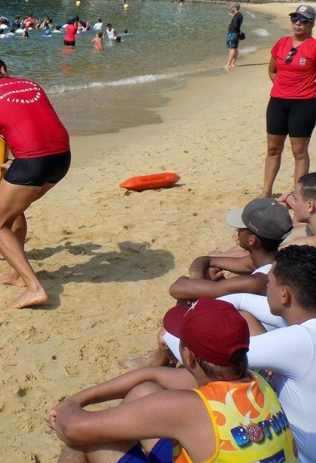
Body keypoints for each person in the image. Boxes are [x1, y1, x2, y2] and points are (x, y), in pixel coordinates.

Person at [50, 297, 298, 463]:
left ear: (188, 355)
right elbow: (151, 375)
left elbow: (73, 429)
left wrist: (67, 409)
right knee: (145, 391)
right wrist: (77, 399)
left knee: (85, 442)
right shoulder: (258, 382)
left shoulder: (190, 409)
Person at [164, 245, 316, 463]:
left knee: (223, 369)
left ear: (284, 295)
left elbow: (215, 353)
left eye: (269, 283)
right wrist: (201, 308)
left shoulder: (301, 342)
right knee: (244, 318)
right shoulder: (305, 324)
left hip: (299, 458)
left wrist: (181, 322)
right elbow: (242, 300)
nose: (266, 288)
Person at [0, 57, 71, 309]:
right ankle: (15, 273)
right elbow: (38, 123)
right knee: (13, 210)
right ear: (4, 71)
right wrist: (17, 163)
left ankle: (34, 288)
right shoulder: (33, 85)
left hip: (32, 162)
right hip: (62, 158)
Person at [168, 198, 292, 303]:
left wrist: (196, 282)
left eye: (241, 228)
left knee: (184, 302)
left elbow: (177, 288)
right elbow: (207, 259)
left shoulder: (256, 281)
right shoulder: (269, 260)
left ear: (252, 240)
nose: (237, 231)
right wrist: (197, 278)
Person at [262, 4, 316, 198]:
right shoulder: (281, 43)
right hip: (278, 102)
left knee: (299, 151)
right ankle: (267, 191)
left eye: (303, 20)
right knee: (273, 148)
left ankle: (300, 196)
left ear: (311, 24)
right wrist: (282, 87)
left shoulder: (314, 47)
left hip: (304, 104)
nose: (297, 23)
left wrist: (303, 90)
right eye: (295, 19)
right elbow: (272, 70)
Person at [224, 3, 243, 70]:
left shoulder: (237, 15)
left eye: (232, 7)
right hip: (235, 33)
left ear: (235, 8)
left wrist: (238, 31)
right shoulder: (239, 15)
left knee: (232, 49)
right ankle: (233, 63)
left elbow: (235, 24)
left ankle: (228, 64)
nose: (231, 8)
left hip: (233, 33)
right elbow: (236, 20)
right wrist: (233, 16)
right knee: (234, 48)